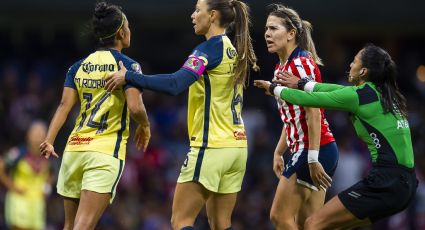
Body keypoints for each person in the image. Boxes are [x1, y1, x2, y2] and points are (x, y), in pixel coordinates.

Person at [104, 0, 258, 229]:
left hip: (211, 147)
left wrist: (131, 77)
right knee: (221, 223)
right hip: (236, 147)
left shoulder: (209, 48)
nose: (193, 15)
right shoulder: (231, 49)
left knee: (181, 221)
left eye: (198, 10)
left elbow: (176, 84)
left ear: (213, 15)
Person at [254, 43, 418, 229]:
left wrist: (275, 89)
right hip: (406, 184)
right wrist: (301, 83)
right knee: (330, 225)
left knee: (313, 224)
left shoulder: (360, 96)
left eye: (354, 61)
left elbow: (309, 101)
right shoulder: (385, 94)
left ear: (363, 71)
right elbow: (334, 90)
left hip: (386, 181)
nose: (350, 65)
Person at [39, 2, 151, 230]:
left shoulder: (78, 67)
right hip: (104, 152)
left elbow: (63, 105)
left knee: (70, 225)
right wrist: (145, 126)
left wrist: (49, 140)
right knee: (84, 225)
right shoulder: (128, 66)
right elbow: (135, 108)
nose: (130, 30)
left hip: (75, 150)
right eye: (128, 26)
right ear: (121, 32)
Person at [261, 4, 338, 229]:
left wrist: (312, 158)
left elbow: (313, 111)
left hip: (313, 150)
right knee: (310, 225)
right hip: (317, 149)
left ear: (292, 34)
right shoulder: (280, 68)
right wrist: (278, 151)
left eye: (274, 28)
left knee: (279, 217)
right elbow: (294, 116)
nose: (267, 33)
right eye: (266, 28)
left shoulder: (301, 64)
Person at [0, 121, 52, 230]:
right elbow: (1, 166)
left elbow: (52, 174)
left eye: (41, 134)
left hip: (37, 204)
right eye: (35, 133)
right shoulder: (19, 152)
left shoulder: (48, 156)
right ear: (28, 135)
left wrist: (46, 190)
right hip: (19, 202)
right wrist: (12, 186)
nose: (38, 137)